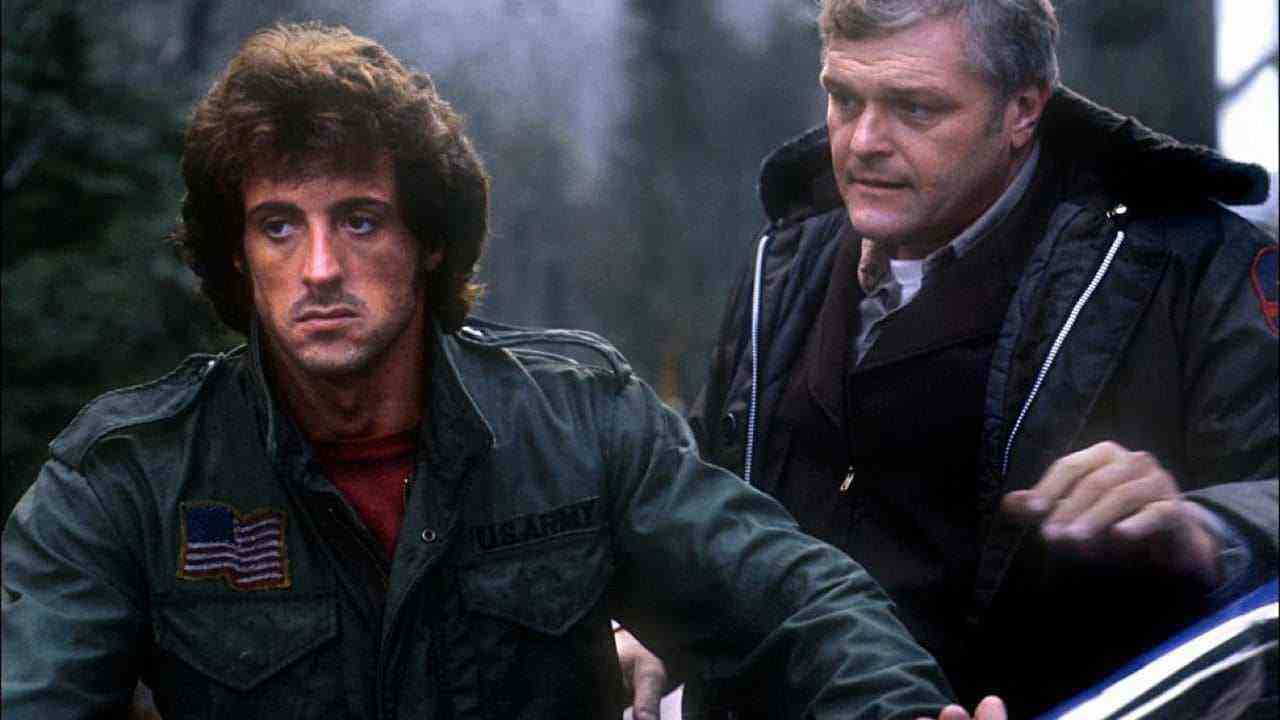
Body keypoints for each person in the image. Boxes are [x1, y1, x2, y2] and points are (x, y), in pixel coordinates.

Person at [0, 21, 1004, 720]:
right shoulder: (129, 478)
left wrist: (902, 710)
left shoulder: (576, 420)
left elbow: (787, 597)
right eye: (278, 227)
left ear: (429, 239)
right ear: (236, 255)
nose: (320, 268)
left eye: (360, 220)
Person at [629, 0, 1278, 716]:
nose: (862, 142)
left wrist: (1208, 530)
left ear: (1022, 109)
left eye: (915, 108)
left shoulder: (1186, 271)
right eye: (844, 98)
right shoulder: (783, 263)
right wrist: (661, 617)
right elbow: (705, 505)